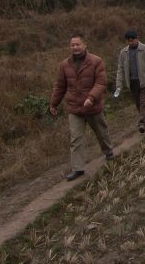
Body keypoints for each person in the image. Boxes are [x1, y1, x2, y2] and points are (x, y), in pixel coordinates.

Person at [49, 33, 114, 181]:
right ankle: (78, 168)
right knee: (75, 138)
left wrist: (91, 97)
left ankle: (108, 151)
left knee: (101, 132)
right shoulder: (65, 64)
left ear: (85, 45)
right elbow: (60, 86)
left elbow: (101, 83)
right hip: (74, 108)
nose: (75, 47)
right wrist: (53, 104)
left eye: (78, 44)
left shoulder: (96, 61)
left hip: (93, 107)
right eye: (72, 45)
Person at [114, 30, 145, 133]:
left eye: (132, 40)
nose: (131, 42)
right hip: (133, 83)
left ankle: (142, 123)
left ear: (137, 38)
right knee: (139, 104)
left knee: (143, 103)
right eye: (129, 41)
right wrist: (119, 85)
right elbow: (120, 69)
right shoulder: (123, 52)